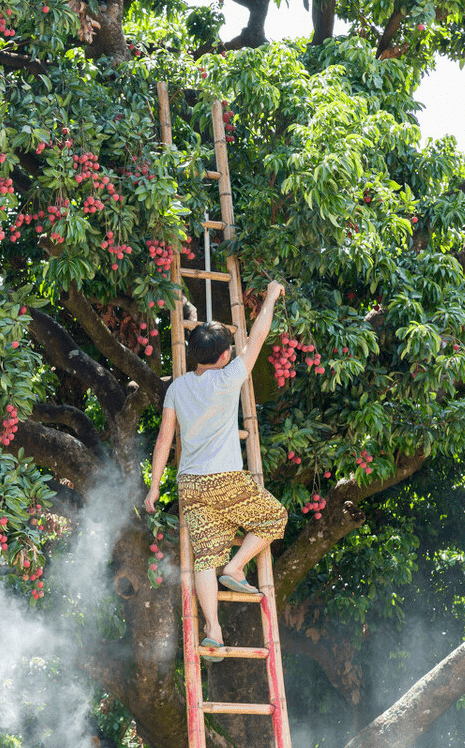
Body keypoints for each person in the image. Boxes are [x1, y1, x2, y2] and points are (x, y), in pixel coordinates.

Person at [143, 281, 287, 656]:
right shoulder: (229, 378)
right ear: (224, 356)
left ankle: (213, 629)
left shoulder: (176, 388)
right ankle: (237, 567)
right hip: (224, 479)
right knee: (274, 518)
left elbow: (163, 440)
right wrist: (270, 296)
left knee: (205, 555)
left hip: (189, 484)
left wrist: (155, 487)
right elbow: (256, 337)